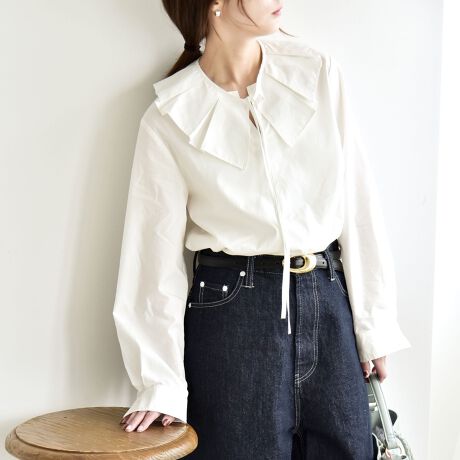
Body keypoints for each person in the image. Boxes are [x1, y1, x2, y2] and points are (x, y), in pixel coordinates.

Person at [112, 1, 411, 458]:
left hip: (329, 304)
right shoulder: (169, 117)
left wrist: (374, 324)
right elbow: (151, 257)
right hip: (232, 317)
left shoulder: (317, 74)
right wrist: (160, 381)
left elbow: (358, 204)